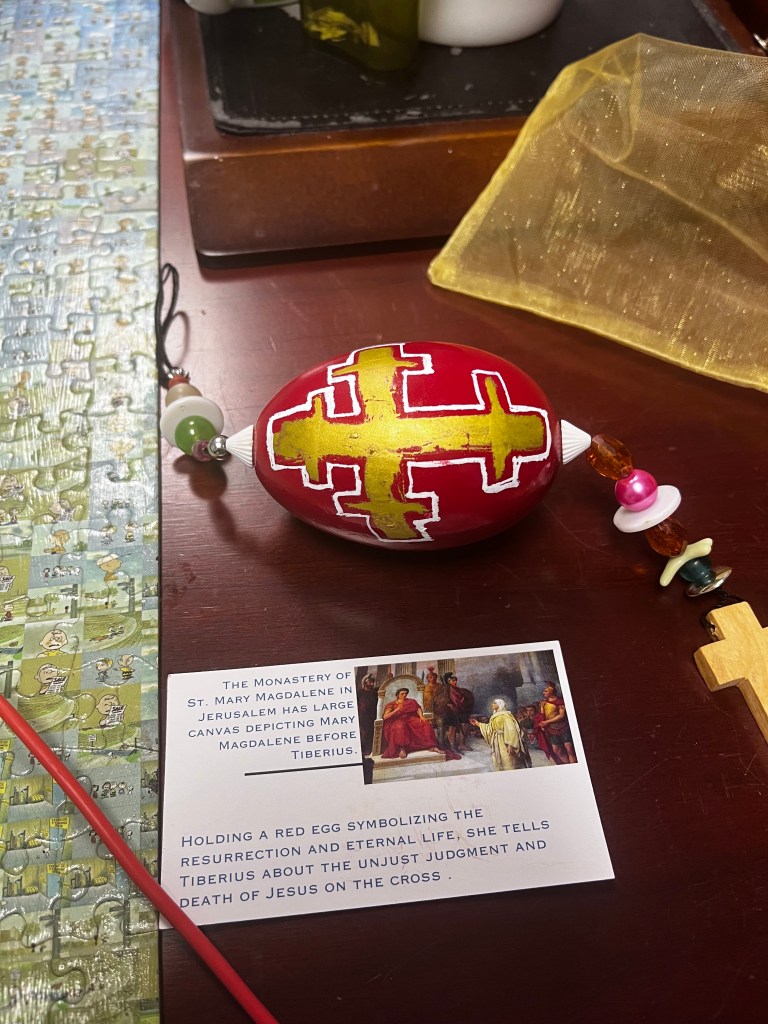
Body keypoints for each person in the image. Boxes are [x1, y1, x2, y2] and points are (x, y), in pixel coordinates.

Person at [380, 687, 442, 760]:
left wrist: (421, 716)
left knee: (426, 724)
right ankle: (402, 748)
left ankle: (431, 745)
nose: (404, 695)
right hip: (398, 720)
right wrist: (397, 709)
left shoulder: (411, 701)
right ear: (397, 695)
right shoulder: (392, 704)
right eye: (402, 694)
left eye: (405, 693)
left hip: (410, 719)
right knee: (400, 726)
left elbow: (417, 708)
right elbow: (385, 717)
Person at [470, 699, 529, 771]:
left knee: (508, 759)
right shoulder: (495, 716)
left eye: (494, 703)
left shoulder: (506, 716)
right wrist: (478, 724)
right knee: (500, 760)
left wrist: (510, 744)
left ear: (500, 704)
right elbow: (490, 728)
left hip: (505, 741)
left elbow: (511, 730)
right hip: (497, 741)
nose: (492, 704)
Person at [539, 682, 577, 764]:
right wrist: (542, 723)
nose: (543, 692)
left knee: (569, 748)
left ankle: (573, 764)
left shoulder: (560, 701)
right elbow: (542, 715)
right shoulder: (544, 703)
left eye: (546, 691)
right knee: (556, 750)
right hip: (552, 729)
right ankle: (567, 765)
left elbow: (561, 715)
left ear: (551, 692)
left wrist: (547, 722)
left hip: (563, 727)